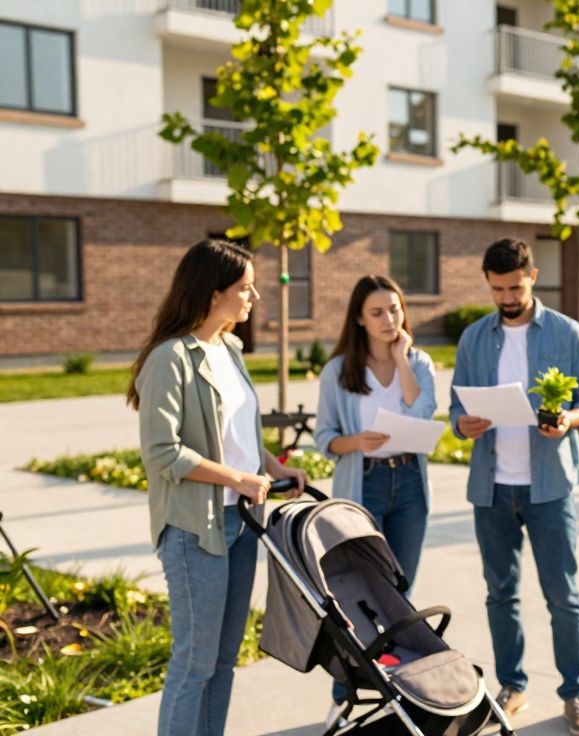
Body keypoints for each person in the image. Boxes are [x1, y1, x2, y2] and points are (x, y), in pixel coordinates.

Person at [128, 239, 306, 736]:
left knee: (225, 661)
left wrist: (275, 466)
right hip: (193, 529)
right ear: (211, 294)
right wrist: (239, 479)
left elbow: (241, 433)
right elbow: (163, 452)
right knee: (194, 664)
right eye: (245, 289)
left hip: (242, 523)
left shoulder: (229, 348)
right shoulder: (170, 359)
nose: (253, 298)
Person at [448, 238, 579, 736]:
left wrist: (571, 418)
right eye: (497, 289)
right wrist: (463, 425)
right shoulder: (474, 338)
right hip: (492, 487)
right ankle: (511, 687)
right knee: (500, 594)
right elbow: (457, 407)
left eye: (514, 286)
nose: (506, 297)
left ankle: (575, 694)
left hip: (549, 488)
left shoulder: (566, 332)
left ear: (532, 276)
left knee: (563, 595)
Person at [314, 274, 438, 712]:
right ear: (359, 320)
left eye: (395, 309)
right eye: (377, 313)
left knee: (400, 596)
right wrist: (356, 442)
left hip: (408, 486)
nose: (389, 319)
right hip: (361, 484)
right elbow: (324, 436)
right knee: (358, 599)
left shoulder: (419, 363)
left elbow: (424, 413)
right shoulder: (338, 370)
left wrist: (402, 359)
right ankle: (343, 694)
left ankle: (394, 690)